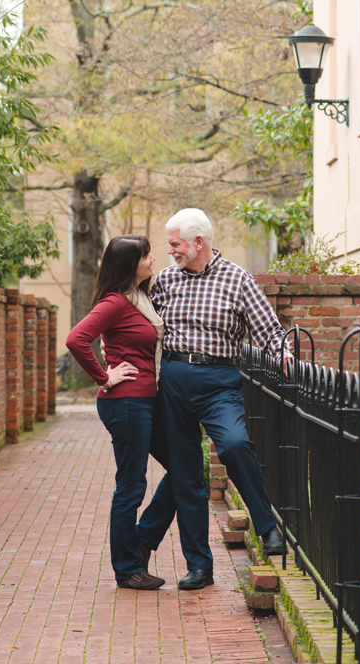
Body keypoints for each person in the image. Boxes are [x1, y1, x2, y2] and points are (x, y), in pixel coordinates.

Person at [149, 208, 291, 591]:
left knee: (235, 443)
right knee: (186, 475)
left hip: (218, 382)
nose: (170, 250)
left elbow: (268, 330)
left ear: (199, 242)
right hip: (173, 380)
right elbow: (139, 324)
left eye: (175, 244)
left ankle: (267, 526)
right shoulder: (164, 280)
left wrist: (284, 354)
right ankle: (199, 566)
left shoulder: (237, 279)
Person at [66, 235, 176, 590]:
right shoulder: (115, 301)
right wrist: (104, 376)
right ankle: (127, 569)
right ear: (130, 264)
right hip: (126, 402)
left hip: (145, 400)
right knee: (131, 484)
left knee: (184, 469)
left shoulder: (140, 299)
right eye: (146, 255)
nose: (152, 259)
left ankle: (142, 539)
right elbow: (76, 339)